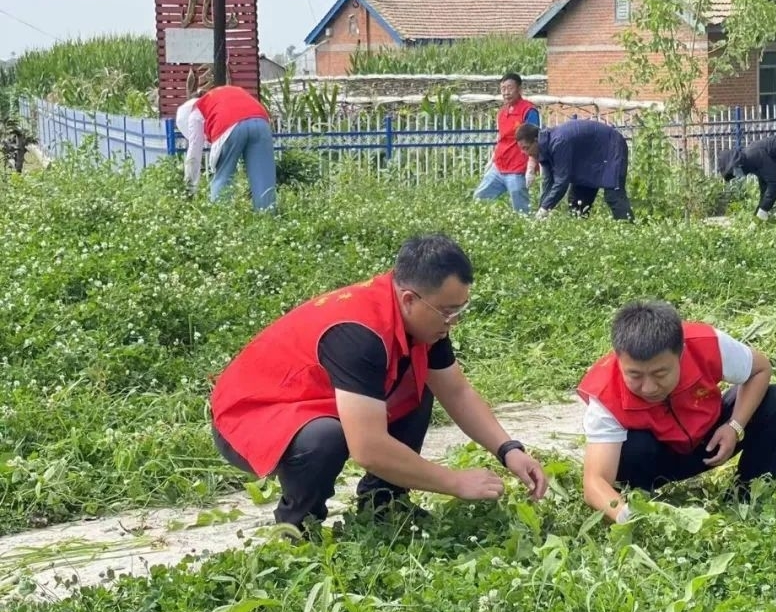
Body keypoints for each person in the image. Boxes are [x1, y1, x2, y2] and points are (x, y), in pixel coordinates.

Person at [209, 234, 549, 531]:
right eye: (448, 311)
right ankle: (297, 528)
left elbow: (456, 391)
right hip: (249, 420)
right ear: (409, 299)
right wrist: (456, 482)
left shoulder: (426, 322)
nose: (454, 321)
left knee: (418, 384)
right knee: (326, 437)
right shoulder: (361, 333)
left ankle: (383, 505)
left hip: (313, 403)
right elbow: (368, 448)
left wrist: (509, 450)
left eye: (460, 310)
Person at [576, 300, 776, 523]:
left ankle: (746, 502)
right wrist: (628, 516)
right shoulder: (606, 392)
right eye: (635, 375)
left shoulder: (705, 343)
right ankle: (644, 502)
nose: (649, 387)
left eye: (660, 374)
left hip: (709, 440)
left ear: (681, 353)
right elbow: (595, 482)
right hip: (652, 460)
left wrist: (734, 426)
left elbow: (761, 368)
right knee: (634, 447)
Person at [176, 84, 278, 212]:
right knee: (264, 182)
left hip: (229, 125)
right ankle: (268, 217)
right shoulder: (220, 95)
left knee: (223, 176)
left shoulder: (195, 112)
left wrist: (190, 188)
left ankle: (221, 218)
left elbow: (194, 154)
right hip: (261, 121)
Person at [515, 121, 634, 221]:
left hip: (611, 146)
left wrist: (544, 209)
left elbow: (561, 182)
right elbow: (548, 183)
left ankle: (629, 231)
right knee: (577, 201)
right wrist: (541, 210)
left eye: (526, 148)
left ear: (536, 140)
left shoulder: (558, 142)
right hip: (589, 158)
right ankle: (581, 238)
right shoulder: (544, 149)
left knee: (613, 196)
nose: (525, 153)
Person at [473, 72, 540, 215]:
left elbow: (534, 140)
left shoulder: (528, 111)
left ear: (519, 89)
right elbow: (500, 138)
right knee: (479, 198)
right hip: (499, 167)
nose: (506, 92)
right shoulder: (502, 113)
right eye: (503, 89)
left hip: (517, 169)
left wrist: (531, 168)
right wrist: (491, 160)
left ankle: (526, 232)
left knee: (521, 210)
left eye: (510, 88)